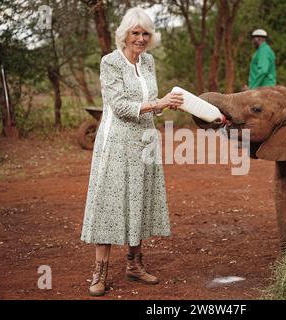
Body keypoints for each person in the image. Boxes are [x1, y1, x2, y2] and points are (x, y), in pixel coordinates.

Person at [80, 7, 183, 296]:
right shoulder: (110, 62)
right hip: (116, 141)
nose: (140, 38)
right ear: (124, 34)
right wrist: (158, 104)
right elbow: (120, 106)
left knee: (139, 197)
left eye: (145, 33)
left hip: (144, 139)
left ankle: (134, 264)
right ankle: (99, 272)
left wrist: (165, 105)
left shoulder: (148, 62)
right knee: (110, 201)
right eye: (135, 33)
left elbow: (149, 100)